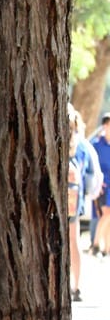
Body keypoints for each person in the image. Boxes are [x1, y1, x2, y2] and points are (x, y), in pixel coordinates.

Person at [69, 110, 101, 301]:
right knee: (75, 242)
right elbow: (92, 174)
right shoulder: (83, 145)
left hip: (55, 200)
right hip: (75, 198)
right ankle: (77, 286)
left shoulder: (55, 140)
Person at [92, 115, 110, 256]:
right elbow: (92, 166)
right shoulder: (97, 144)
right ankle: (96, 244)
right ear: (104, 126)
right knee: (105, 214)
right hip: (103, 185)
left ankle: (107, 248)